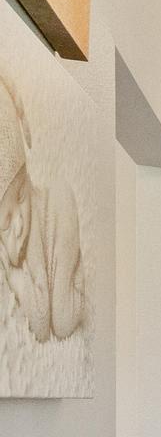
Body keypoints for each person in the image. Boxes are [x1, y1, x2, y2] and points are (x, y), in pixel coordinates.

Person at [0, 68, 84, 345]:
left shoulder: (34, 228)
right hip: (57, 202)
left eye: (22, 194)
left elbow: (40, 321)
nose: (21, 222)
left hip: (59, 210)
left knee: (62, 319)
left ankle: (79, 280)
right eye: (6, 220)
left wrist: (15, 278)